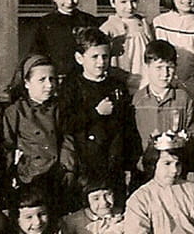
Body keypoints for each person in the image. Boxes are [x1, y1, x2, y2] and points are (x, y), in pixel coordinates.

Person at [59, 26, 139, 203]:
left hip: (113, 162)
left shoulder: (117, 86)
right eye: (94, 57)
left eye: (105, 56)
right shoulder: (72, 86)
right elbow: (66, 123)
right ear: (80, 58)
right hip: (85, 164)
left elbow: (127, 126)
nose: (101, 62)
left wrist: (130, 162)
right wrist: (95, 113)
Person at [1, 54, 76, 215]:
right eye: (42, 80)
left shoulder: (60, 108)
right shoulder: (15, 112)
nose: (49, 85)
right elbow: (7, 147)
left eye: (52, 79)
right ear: (26, 83)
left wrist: (67, 168)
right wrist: (8, 179)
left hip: (58, 176)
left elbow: (67, 138)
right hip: (30, 179)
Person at [132, 40, 194, 175]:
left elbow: (192, 132)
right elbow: (131, 137)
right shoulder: (137, 100)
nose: (165, 73)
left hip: (175, 169)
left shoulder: (184, 99)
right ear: (147, 67)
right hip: (145, 169)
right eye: (159, 67)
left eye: (170, 67)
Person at [30, 0, 100, 79]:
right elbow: (37, 55)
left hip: (85, 78)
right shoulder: (45, 23)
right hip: (58, 79)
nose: (69, 1)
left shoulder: (89, 21)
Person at [100, 0, 154, 95]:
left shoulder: (144, 23)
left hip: (145, 78)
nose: (129, 7)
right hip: (122, 80)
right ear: (112, 2)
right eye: (123, 2)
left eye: (133, 1)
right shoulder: (109, 27)